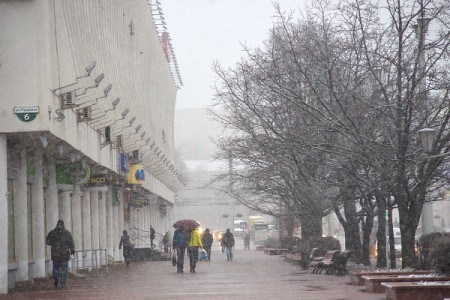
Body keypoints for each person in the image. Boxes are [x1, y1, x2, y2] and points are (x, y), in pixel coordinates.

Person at [45, 220, 75, 288]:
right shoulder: (67, 233)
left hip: (55, 254)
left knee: (56, 267)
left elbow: (47, 241)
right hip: (64, 254)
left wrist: (54, 243)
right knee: (64, 268)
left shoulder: (52, 233)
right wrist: (72, 250)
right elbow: (71, 242)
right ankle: (63, 282)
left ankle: (56, 278)